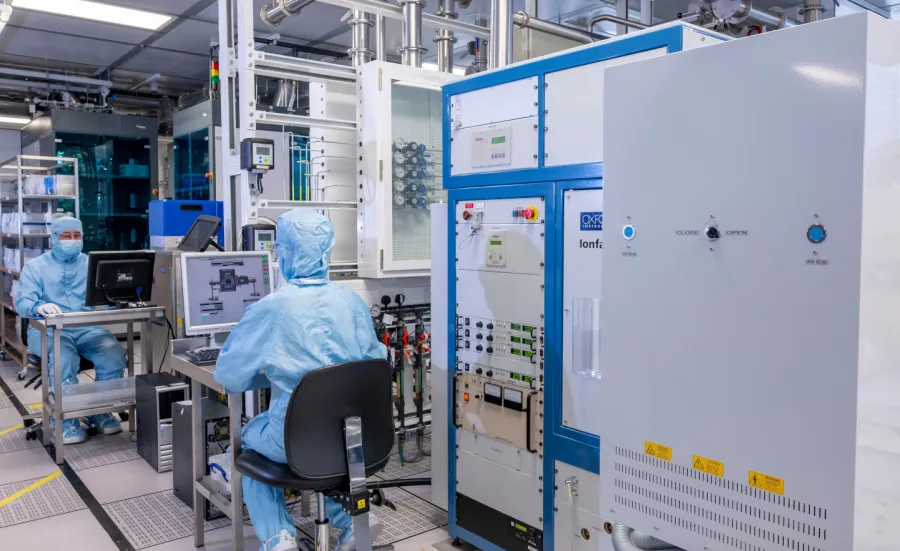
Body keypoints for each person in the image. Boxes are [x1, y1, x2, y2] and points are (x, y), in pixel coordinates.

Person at [214, 209, 387, 551]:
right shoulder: (353, 302)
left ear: (284, 252)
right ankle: (353, 523)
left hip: (294, 440)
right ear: (327, 251)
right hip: (355, 436)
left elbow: (229, 376)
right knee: (324, 448)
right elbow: (374, 363)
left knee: (248, 443)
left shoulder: (272, 308)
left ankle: (279, 537)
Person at [15, 216, 125, 444]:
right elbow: (22, 303)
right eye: (66, 235)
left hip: (85, 327)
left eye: (77, 235)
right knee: (63, 358)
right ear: (54, 238)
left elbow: (106, 297)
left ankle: (100, 411)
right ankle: (65, 420)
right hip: (47, 329)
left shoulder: (91, 264)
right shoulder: (35, 267)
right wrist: (38, 306)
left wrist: (119, 298)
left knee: (113, 354)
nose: (72, 240)